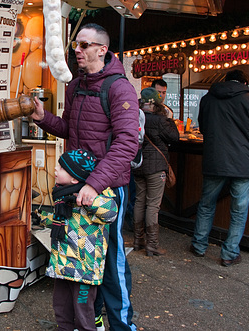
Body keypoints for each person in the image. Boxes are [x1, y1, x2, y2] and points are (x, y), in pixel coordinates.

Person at [31, 23, 139, 331]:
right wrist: (42, 119)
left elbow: (127, 142)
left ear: (101, 50)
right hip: (77, 189)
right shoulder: (76, 85)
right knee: (86, 261)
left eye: (83, 45)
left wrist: (95, 183)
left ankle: (122, 325)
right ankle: (95, 319)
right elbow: (69, 130)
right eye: (76, 45)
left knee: (112, 263)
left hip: (105, 190)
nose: (77, 50)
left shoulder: (119, 88)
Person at [190, 69, 249, 266]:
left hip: (215, 160)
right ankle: (229, 253)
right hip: (243, 162)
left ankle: (199, 246)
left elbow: (203, 127)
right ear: (244, 82)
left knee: (206, 205)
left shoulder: (208, 99)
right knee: (239, 211)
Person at [34, 149, 118, 331]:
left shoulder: (93, 195)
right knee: (61, 309)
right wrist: (41, 218)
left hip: (83, 271)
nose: (55, 169)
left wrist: (89, 199)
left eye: (61, 168)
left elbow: (111, 211)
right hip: (63, 265)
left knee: (83, 314)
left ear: (74, 178)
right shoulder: (64, 196)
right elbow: (64, 222)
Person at [132, 87, 179, 256]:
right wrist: (170, 119)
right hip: (156, 167)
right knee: (153, 205)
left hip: (138, 165)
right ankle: (152, 245)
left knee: (139, 201)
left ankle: (138, 241)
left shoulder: (135, 117)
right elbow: (175, 137)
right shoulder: (161, 120)